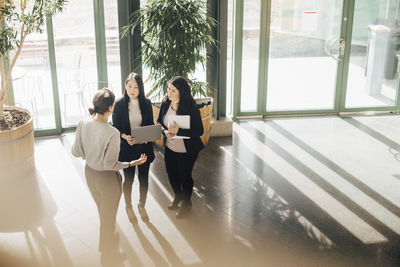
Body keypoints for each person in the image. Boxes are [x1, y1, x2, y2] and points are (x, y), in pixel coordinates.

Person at [71, 88, 147, 265]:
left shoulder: (83, 123)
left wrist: (90, 153)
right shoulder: (112, 132)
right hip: (108, 181)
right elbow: (110, 165)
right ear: (111, 107)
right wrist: (132, 163)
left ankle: (109, 244)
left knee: (104, 214)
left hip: (89, 175)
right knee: (108, 218)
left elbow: (75, 151)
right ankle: (108, 256)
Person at [157, 76, 204, 219]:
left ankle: (186, 203)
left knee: (185, 176)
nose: (169, 93)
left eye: (173, 90)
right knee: (172, 174)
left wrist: (179, 131)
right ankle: (178, 196)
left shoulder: (191, 108)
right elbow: (159, 121)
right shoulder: (165, 103)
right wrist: (164, 131)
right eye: (168, 89)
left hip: (187, 149)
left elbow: (199, 131)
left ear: (181, 92)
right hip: (170, 147)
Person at [112, 73, 155, 223]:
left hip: (143, 146)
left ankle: (141, 204)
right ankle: (128, 206)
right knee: (128, 179)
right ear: (125, 86)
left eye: (136, 87)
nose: (132, 90)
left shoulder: (147, 103)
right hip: (127, 148)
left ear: (140, 88)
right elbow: (115, 127)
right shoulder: (119, 104)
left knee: (144, 179)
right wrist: (125, 137)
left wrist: (146, 136)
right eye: (129, 86)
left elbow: (150, 124)